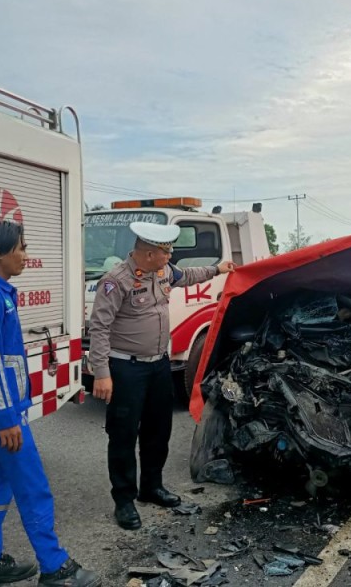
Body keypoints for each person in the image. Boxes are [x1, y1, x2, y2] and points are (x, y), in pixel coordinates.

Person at [0, 221, 100, 587]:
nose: (25, 254)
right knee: (32, 486)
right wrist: (6, 419)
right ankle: (54, 566)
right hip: (0, 416)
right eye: (20, 247)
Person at [89, 222, 235, 530]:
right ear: (148, 252)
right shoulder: (116, 281)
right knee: (124, 435)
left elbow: (188, 276)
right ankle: (125, 500)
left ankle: (151, 487)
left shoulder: (164, 271)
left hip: (158, 366)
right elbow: (99, 328)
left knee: (158, 430)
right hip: (125, 368)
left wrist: (219, 269)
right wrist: (101, 373)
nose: (170, 257)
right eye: (166, 252)